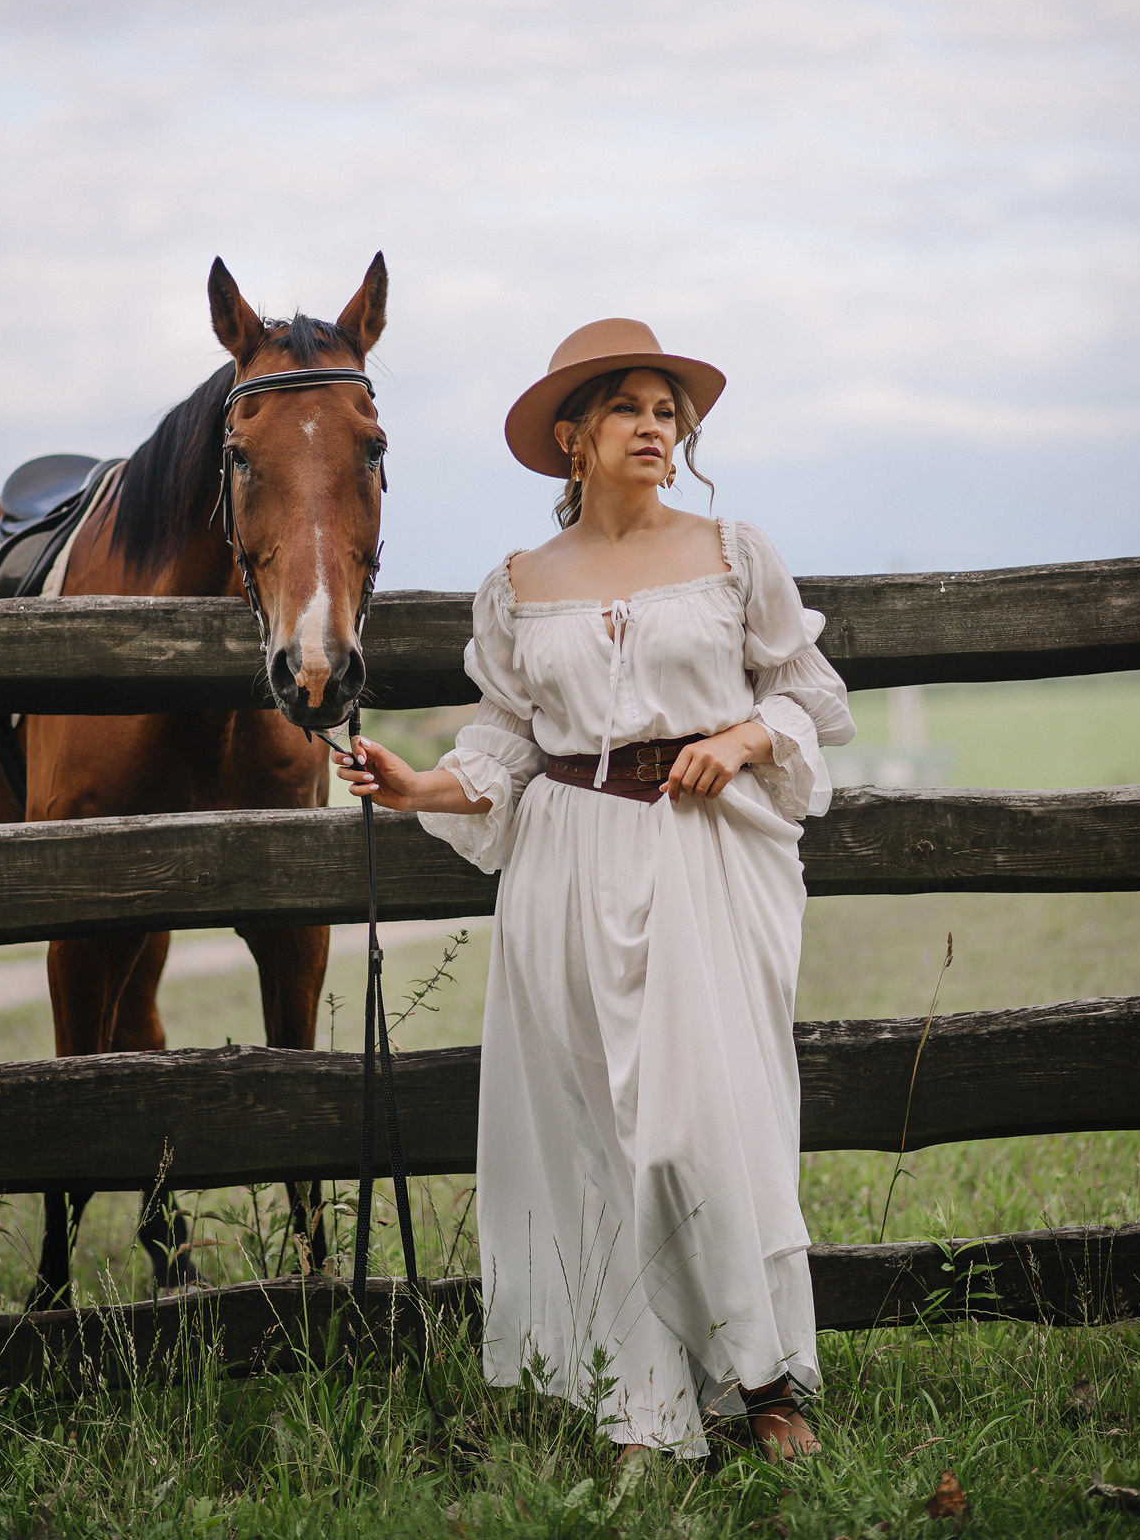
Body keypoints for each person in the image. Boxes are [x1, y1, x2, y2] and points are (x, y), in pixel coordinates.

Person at [332, 318, 856, 1459]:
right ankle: (642, 1402)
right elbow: (510, 740)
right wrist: (422, 785)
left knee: (701, 1124)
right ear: (572, 439)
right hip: (565, 866)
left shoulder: (732, 553)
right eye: (631, 408)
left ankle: (758, 1384)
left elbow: (809, 699)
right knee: (593, 1137)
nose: (656, 429)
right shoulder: (518, 585)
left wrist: (744, 739)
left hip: (699, 857)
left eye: (670, 413)